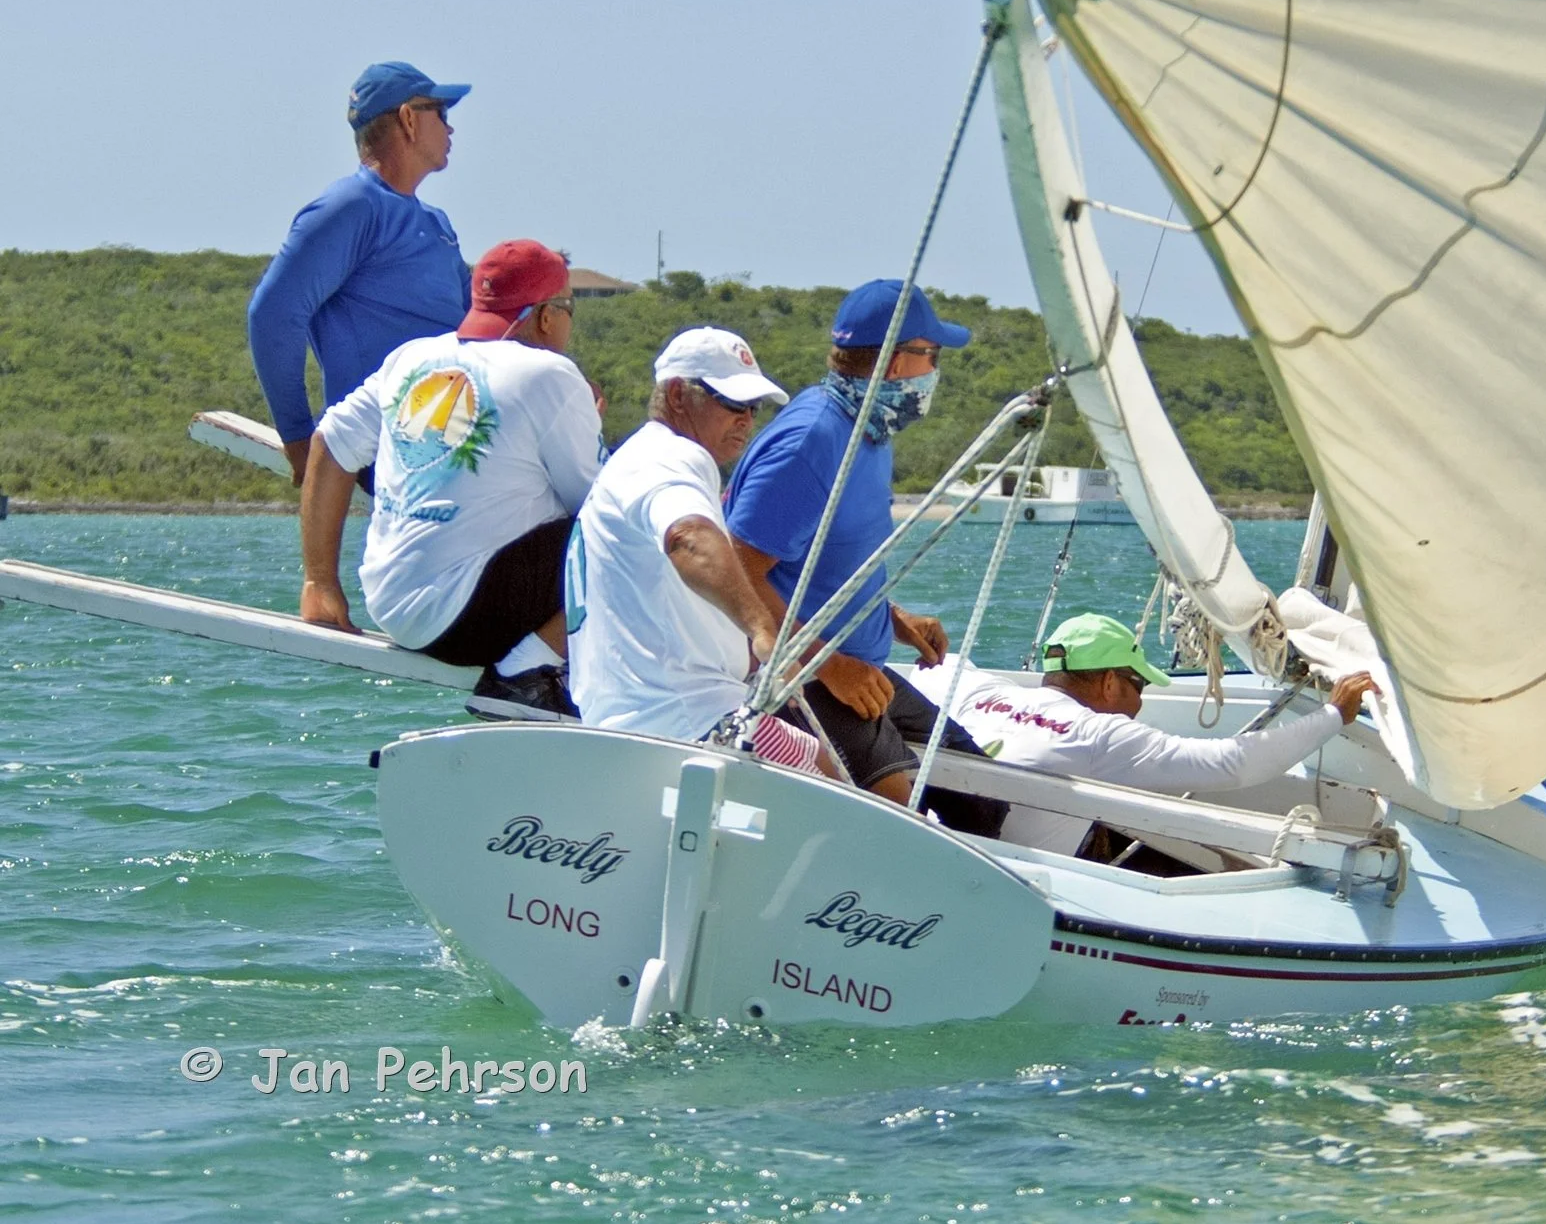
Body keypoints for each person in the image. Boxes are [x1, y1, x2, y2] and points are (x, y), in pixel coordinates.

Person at [725, 278, 999, 829]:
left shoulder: (869, 430)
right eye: (932, 355)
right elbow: (735, 572)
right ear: (897, 362)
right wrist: (829, 666)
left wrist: (893, 618)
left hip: (861, 669)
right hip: (811, 678)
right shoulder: (813, 441)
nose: (935, 370)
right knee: (895, 820)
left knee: (983, 802)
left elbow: (825, 561)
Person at [299, 239, 604, 719]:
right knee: (631, 526)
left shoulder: (410, 358)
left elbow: (329, 443)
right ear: (547, 316)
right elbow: (597, 502)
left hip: (391, 607)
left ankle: (535, 662)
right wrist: (587, 422)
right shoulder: (551, 375)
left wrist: (320, 580)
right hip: (471, 623)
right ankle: (525, 672)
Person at [566, 327, 828, 773]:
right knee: (840, 790)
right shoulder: (669, 458)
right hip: (690, 720)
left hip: (636, 724)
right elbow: (688, 537)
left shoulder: (633, 459)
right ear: (677, 395)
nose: (747, 420)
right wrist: (762, 628)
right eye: (733, 403)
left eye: (754, 407)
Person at [911, 613, 1378, 862]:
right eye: (1139, 685)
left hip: (938, 854)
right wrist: (1333, 714)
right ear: (1109, 682)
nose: (1139, 702)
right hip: (1019, 890)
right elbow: (1234, 763)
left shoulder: (976, 692)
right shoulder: (1100, 736)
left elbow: (936, 665)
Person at [248, 61, 474, 486]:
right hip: (394, 447)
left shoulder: (437, 222)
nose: (450, 128)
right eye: (440, 113)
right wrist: (299, 441)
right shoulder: (352, 206)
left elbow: (477, 328)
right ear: (408, 119)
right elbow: (273, 315)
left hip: (458, 435)